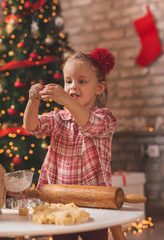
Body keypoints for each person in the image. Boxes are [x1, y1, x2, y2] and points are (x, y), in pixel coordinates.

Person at [23, 48, 117, 240]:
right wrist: (33, 101)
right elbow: (32, 127)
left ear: (99, 88)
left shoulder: (105, 118)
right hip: (61, 202)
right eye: (68, 81)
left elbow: (89, 124)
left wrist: (65, 99)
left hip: (94, 203)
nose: (73, 86)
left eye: (81, 81)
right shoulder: (58, 118)